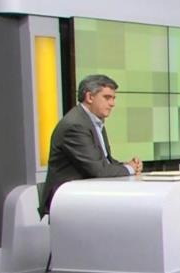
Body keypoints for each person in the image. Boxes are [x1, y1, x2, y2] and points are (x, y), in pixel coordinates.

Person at [39, 74, 142, 217]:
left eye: (113, 98)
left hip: (85, 197)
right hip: (67, 202)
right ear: (90, 97)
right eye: (107, 97)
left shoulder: (94, 121)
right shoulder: (75, 125)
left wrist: (127, 165)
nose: (112, 103)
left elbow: (105, 161)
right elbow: (98, 170)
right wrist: (129, 168)